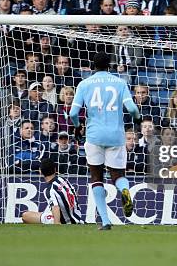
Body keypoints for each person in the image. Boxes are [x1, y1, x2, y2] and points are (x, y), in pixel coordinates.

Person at [69, 52, 141, 230]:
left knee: (96, 177)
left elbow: (72, 114)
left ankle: (106, 221)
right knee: (118, 176)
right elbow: (131, 108)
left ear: (93, 66)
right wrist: (138, 119)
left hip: (94, 136)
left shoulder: (84, 84)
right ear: (110, 66)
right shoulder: (119, 82)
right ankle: (124, 190)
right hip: (116, 136)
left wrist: (78, 126)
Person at [21, 158, 84, 225]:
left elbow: (55, 207)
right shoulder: (62, 179)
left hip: (66, 221)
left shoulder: (49, 190)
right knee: (48, 208)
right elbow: (76, 194)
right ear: (55, 169)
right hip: (77, 217)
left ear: (40, 171)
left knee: (25, 216)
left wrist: (56, 223)